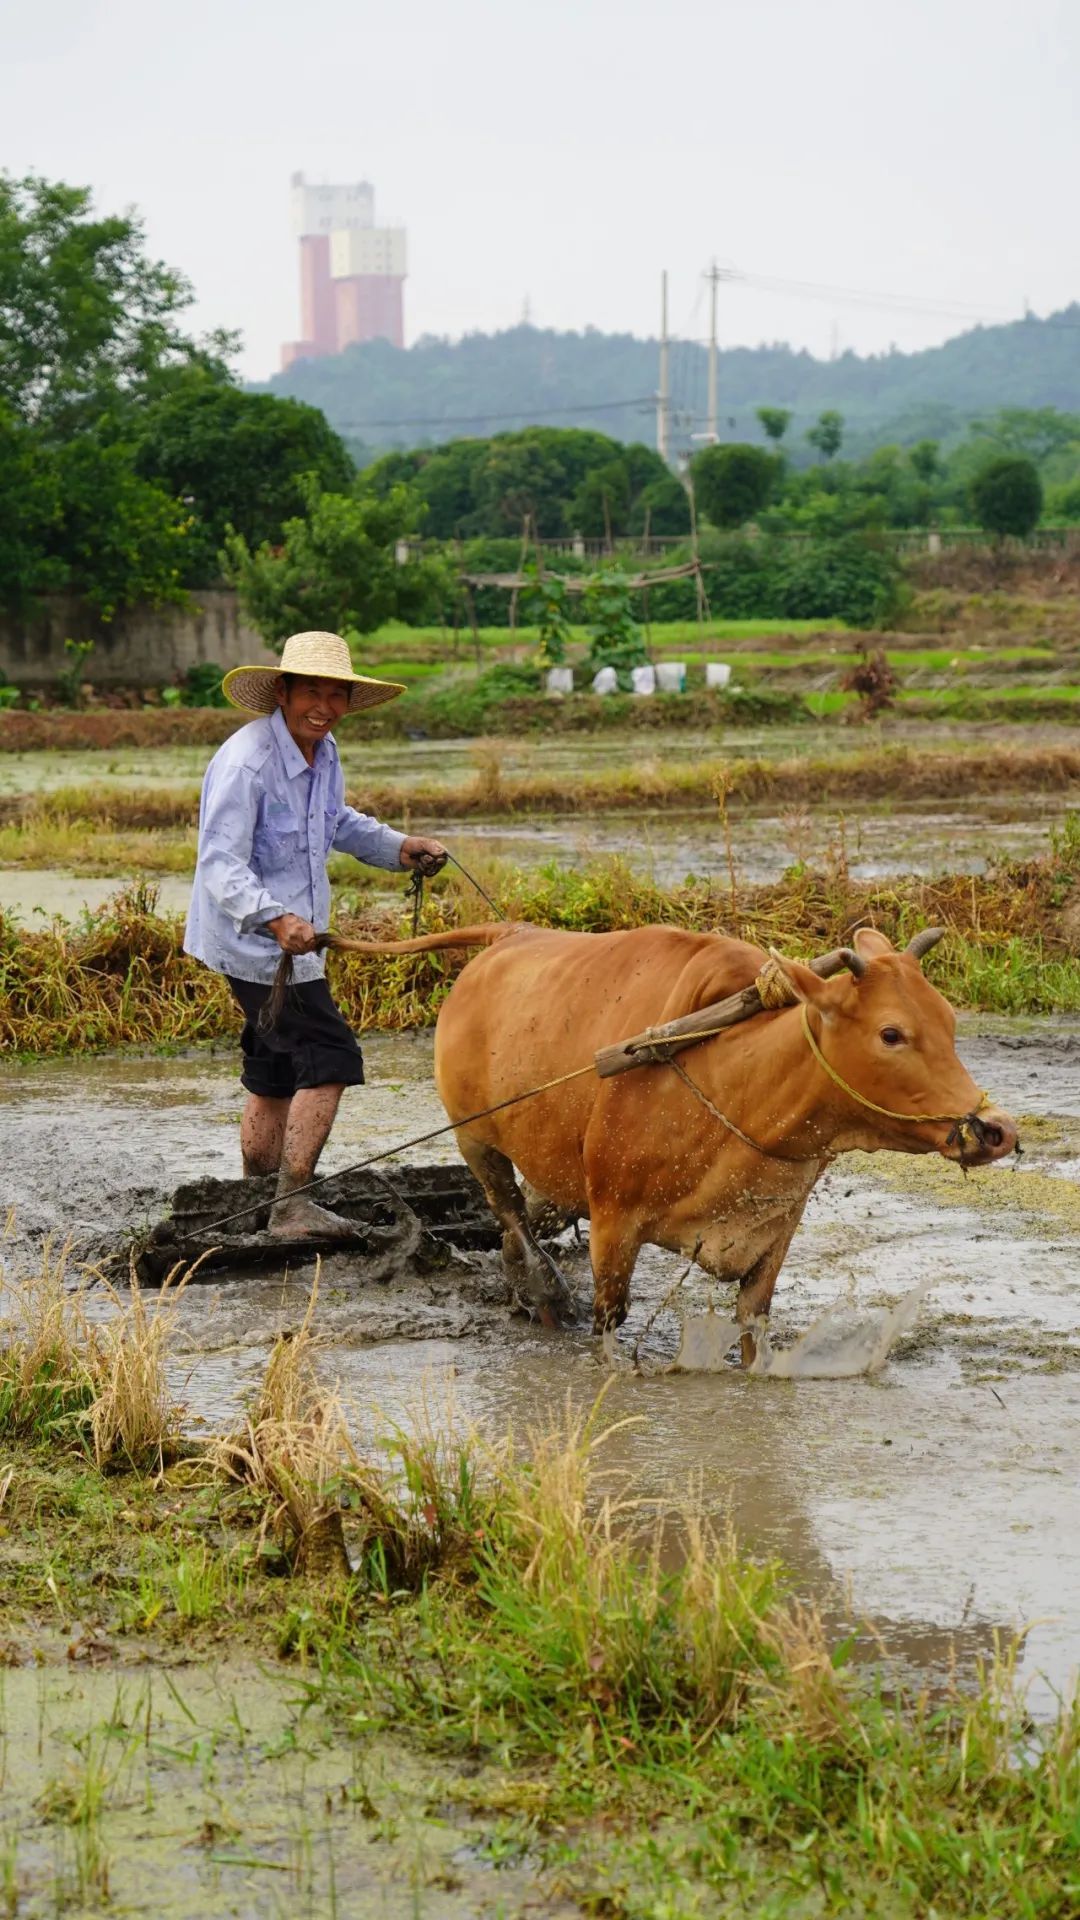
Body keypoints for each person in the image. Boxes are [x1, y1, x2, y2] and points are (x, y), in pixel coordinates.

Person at [184, 629, 447, 1238]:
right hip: (255, 943)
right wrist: (277, 918)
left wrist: (399, 847)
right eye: (311, 692)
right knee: (331, 1058)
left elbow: (336, 822)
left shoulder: (323, 753)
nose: (323, 707)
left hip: (289, 943)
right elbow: (219, 863)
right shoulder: (249, 762)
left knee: (276, 1071)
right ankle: (292, 1205)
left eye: (336, 695)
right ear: (282, 692)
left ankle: (256, 1199)